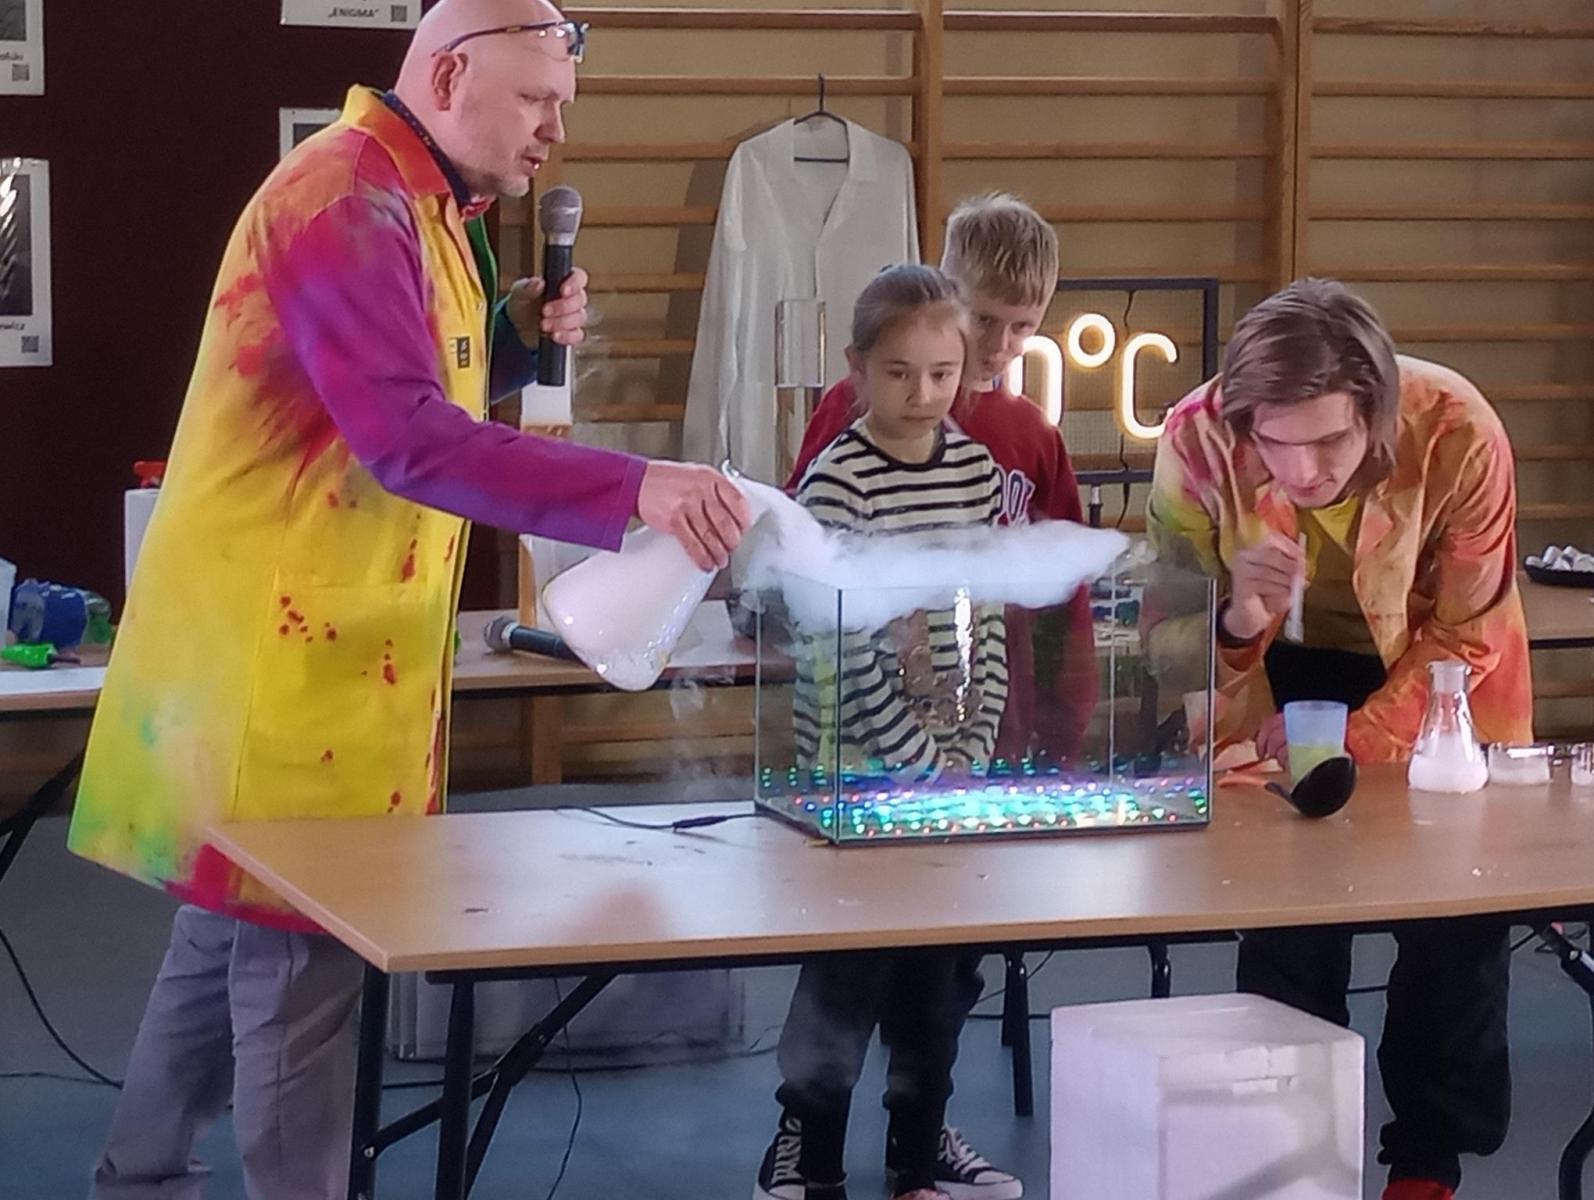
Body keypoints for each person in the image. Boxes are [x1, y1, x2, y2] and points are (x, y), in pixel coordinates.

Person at [67, 2, 748, 1197]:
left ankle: (139, 1173)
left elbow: (393, 381)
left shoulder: (421, 204)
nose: (553, 131)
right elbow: (410, 440)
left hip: (306, 660)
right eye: (536, 100)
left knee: (227, 932)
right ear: (446, 75)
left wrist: (511, 336)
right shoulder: (346, 200)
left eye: (560, 106)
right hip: (282, 676)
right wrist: (635, 487)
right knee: (301, 968)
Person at [1147, 277, 1532, 1200]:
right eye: (1276, 445)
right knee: (1288, 918)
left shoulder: (1459, 431)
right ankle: (1291, 1152)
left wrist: (1355, 738)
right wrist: (1235, 617)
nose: (1305, 472)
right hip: (1271, 675)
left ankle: (1429, 1160)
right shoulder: (1196, 438)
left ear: (1377, 410)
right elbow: (1164, 640)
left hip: (1436, 675)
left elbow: (1468, 631)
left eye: (1329, 441)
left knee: (1454, 915)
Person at [757, 265, 1018, 1200]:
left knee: (940, 974)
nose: (923, 393)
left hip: (951, 775)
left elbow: (987, 617)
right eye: (900, 372)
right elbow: (844, 644)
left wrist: (970, 750)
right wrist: (912, 762)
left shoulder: (977, 470)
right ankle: (807, 1148)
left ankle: (920, 1146)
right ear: (857, 367)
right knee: (848, 971)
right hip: (855, 772)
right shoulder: (838, 482)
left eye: (942, 373)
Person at [789, 193, 1093, 765]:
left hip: (993, 733)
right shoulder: (853, 409)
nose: (1000, 346)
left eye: (1022, 327)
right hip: (867, 739)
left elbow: (1064, 601)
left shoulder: (1032, 436)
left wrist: (1064, 733)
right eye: (984, 320)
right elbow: (802, 552)